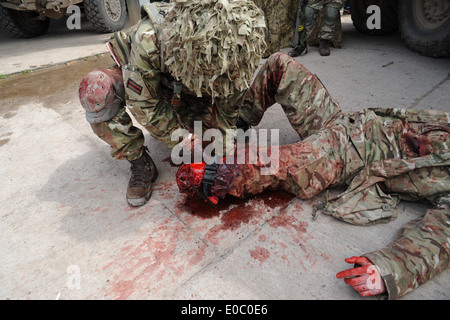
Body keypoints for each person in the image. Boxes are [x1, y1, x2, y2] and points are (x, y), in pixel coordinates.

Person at [175, 52, 450, 299]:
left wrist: (389, 270)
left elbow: (441, 237)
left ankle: (213, 180)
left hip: (343, 157)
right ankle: (237, 126)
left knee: (259, 166)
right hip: (343, 122)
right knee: (279, 66)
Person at [78, 0, 268, 207]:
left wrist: (223, 150)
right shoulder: (149, 39)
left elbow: (227, 110)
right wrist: (183, 140)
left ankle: (190, 125)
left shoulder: (239, 50)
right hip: (154, 85)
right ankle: (141, 163)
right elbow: (143, 103)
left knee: (212, 148)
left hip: (191, 93)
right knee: (95, 91)